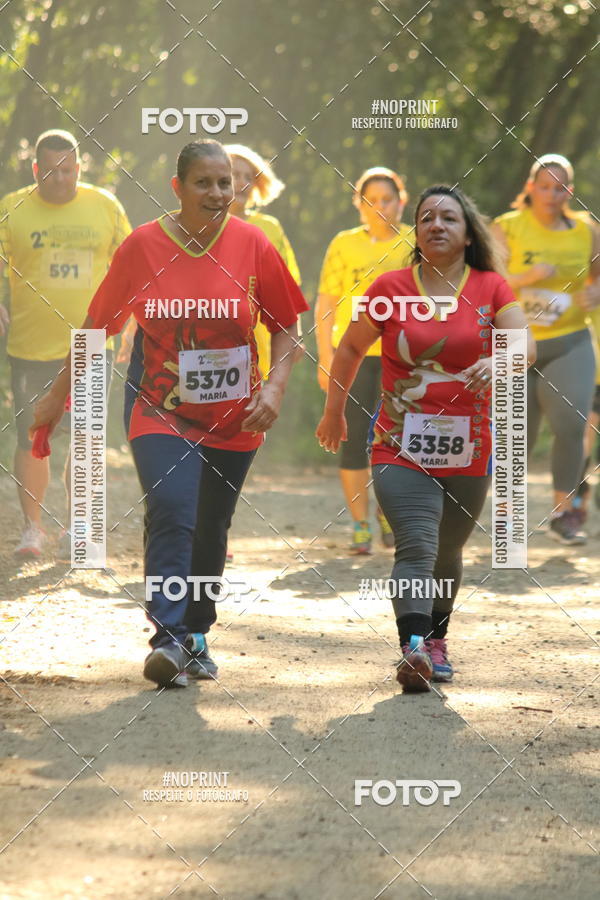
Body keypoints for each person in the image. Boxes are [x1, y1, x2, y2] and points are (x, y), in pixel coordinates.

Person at [31, 139, 307, 689]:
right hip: (160, 408)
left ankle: (196, 632)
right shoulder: (142, 247)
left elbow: (287, 327)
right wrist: (55, 397)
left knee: (211, 525)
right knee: (172, 507)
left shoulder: (253, 244)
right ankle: (169, 635)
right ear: (177, 188)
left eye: (225, 183)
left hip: (236, 415)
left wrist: (274, 389)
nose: (217, 193)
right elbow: (96, 328)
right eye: (203, 183)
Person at [316, 185, 535, 692]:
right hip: (399, 442)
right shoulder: (389, 288)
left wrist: (496, 359)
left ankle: (437, 638)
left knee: (447, 550)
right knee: (416, 540)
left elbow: (523, 345)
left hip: (470, 445)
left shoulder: (491, 288)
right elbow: (349, 349)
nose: (436, 225)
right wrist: (335, 413)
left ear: (466, 234)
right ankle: (412, 647)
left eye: (449, 219)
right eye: (426, 218)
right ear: (416, 232)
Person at [0, 129, 131, 557]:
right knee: (32, 437)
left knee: (88, 435)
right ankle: (32, 529)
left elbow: (132, 266)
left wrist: (132, 325)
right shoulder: (12, 207)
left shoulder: (105, 206)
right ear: (36, 170)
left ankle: (79, 527)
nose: (60, 180)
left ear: (81, 167)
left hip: (91, 342)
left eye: (69, 171)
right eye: (51, 172)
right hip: (30, 345)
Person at [492, 155, 600, 545]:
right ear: (531, 187)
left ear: (570, 191)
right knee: (516, 434)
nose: (552, 194)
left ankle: (563, 514)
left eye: (561, 188)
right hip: (518, 342)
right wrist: (529, 277)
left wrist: (597, 291)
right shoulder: (507, 227)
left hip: (570, 340)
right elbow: (489, 281)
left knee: (572, 426)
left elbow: (597, 276)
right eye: (545, 186)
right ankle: (507, 519)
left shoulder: (586, 231)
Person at [315, 167, 414, 554]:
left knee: (396, 439)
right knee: (353, 439)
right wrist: (325, 355)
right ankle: (359, 524)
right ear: (359, 205)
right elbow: (326, 302)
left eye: (387, 199)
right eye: (371, 200)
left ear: (401, 202)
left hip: (400, 357)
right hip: (351, 356)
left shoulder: (413, 241)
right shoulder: (343, 244)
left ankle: (389, 513)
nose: (380, 207)